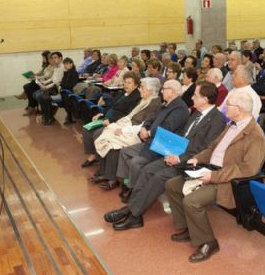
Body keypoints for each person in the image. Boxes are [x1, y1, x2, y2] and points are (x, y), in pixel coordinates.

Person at [105, 82, 226, 230]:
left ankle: (132, 213)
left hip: (192, 162)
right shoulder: (196, 113)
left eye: (195, 95)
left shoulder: (217, 119)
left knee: (159, 177)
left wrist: (179, 158)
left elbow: (205, 149)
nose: (192, 98)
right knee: (147, 169)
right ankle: (133, 211)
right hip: (178, 154)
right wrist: (172, 152)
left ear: (205, 99)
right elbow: (183, 137)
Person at [164, 91, 265, 263]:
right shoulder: (231, 124)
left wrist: (214, 176)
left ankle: (208, 242)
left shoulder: (255, 135)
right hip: (208, 169)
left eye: (229, 105)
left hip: (225, 180)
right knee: (172, 185)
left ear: (239, 109)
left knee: (192, 201)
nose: (224, 107)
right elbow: (212, 148)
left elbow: (248, 169)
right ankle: (190, 227)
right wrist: (198, 158)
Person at [104, 80, 189, 192]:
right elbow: (152, 119)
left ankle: (133, 189)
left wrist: (149, 133)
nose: (161, 91)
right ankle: (126, 182)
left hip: (162, 146)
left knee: (135, 162)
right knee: (124, 152)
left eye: (164, 89)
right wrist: (145, 128)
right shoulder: (166, 104)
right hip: (151, 141)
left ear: (172, 91)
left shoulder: (180, 108)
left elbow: (167, 127)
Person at [90, 78, 162, 185]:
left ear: (150, 90)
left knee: (113, 144)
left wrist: (123, 129)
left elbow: (145, 125)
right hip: (128, 127)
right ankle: (104, 172)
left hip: (135, 133)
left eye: (142, 88)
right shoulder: (145, 99)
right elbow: (130, 115)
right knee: (105, 136)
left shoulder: (154, 104)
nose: (139, 90)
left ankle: (111, 179)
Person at [81, 71, 141, 166]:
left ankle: (99, 158)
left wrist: (110, 121)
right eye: (125, 82)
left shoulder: (136, 98)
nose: (126, 84)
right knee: (86, 129)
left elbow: (127, 114)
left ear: (136, 85)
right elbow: (110, 106)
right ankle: (93, 154)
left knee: (97, 133)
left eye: (129, 83)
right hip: (106, 118)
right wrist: (100, 114)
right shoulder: (122, 93)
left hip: (116, 122)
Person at [38, 57, 79, 125]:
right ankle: (47, 116)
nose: (65, 66)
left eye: (67, 64)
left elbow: (70, 85)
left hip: (67, 94)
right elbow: (62, 83)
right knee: (42, 97)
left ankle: (49, 117)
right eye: (64, 64)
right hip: (62, 92)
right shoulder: (66, 72)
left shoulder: (74, 73)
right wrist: (63, 85)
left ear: (71, 64)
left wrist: (63, 85)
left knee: (45, 98)